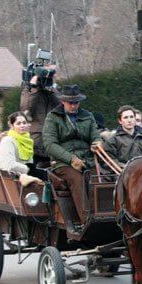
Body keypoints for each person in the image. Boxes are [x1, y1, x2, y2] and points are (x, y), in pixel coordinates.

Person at [42, 85, 102, 223]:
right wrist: (71, 159)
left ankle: (107, 214)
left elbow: (95, 136)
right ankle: (87, 220)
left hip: (87, 160)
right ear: (63, 101)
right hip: (62, 162)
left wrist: (97, 143)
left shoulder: (88, 116)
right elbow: (50, 145)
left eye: (76, 102)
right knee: (77, 180)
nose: (74, 106)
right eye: (71, 103)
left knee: (101, 179)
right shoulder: (53, 117)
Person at [19, 64, 60, 163]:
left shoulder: (52, 92)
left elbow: (62, 107)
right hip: (35, 143)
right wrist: (33, 87)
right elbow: (26, 110)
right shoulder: (28, 92)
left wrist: (52, 88)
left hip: (52, 142)